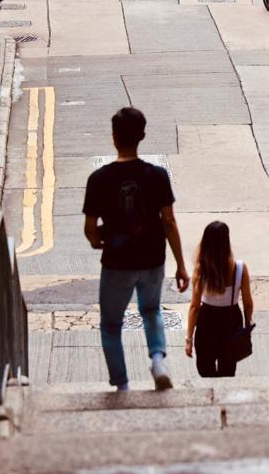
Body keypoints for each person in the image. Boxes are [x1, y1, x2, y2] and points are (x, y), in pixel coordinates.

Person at [83, 108, 190, 391]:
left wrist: (97, 242)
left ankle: (122, 385)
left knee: (111, 325)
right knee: (151, 309)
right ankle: (157, 361)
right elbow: (168, 221)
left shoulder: (99, 179)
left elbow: (91, 228)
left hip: (117, 262)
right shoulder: (157, 175)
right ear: (142, 136)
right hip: (153, 258)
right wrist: (180, 264)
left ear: (113, 137)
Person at [185, 221, 254, 377]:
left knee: (205, 368)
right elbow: (248, 303)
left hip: (207, 322)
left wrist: (189, 337)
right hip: (231, 321)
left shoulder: (201, 270)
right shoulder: (240, 269)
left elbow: (195, 307)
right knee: (228, 369)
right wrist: (248, 324)